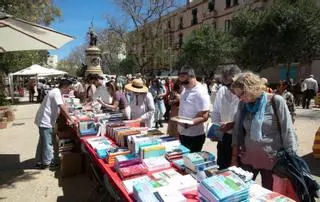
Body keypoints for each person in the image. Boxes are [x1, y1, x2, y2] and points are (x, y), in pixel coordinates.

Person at [231, 72, 297, 190]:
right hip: (248, 159)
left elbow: (288, 132)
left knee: (269, 194)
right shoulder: (243, 105)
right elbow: (237, 132)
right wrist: (234, 158)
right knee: (241, 190)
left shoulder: (276, 101)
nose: (239, 98)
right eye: (237, 96)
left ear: (251, 89)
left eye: (241, 94)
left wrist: (292, 161)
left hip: (272, 161)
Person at [34, 79, 74, 169]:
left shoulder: (58, 92)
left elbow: (63, 105)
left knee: (43, 141)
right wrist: (70, 118)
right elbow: (62, 107)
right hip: (45, 121)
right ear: (64, 87)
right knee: (48, 143)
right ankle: (47, 162)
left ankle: (39, 161)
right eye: (69, 88)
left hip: (46, 120)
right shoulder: (56, 92)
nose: (70, 90)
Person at [211, 65, 241, 170]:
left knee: (237, 172)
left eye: (231, 84)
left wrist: (233, 125)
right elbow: (215, 112)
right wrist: (215, 131)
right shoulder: (222, 91)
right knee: (222, 168)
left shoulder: (245, 95)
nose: (229, 88)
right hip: (224, 138)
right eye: (225, 84)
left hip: (240, 140)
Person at [177, 66, 210, 152]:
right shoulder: (185, 88)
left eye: (186, 82)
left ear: (193, 77)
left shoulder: (200, 92)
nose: (184, 84)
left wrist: (188, 124)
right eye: (182, 82)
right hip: (183, 133)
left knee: (190, 163)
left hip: (194, 136)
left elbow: (204, 116)